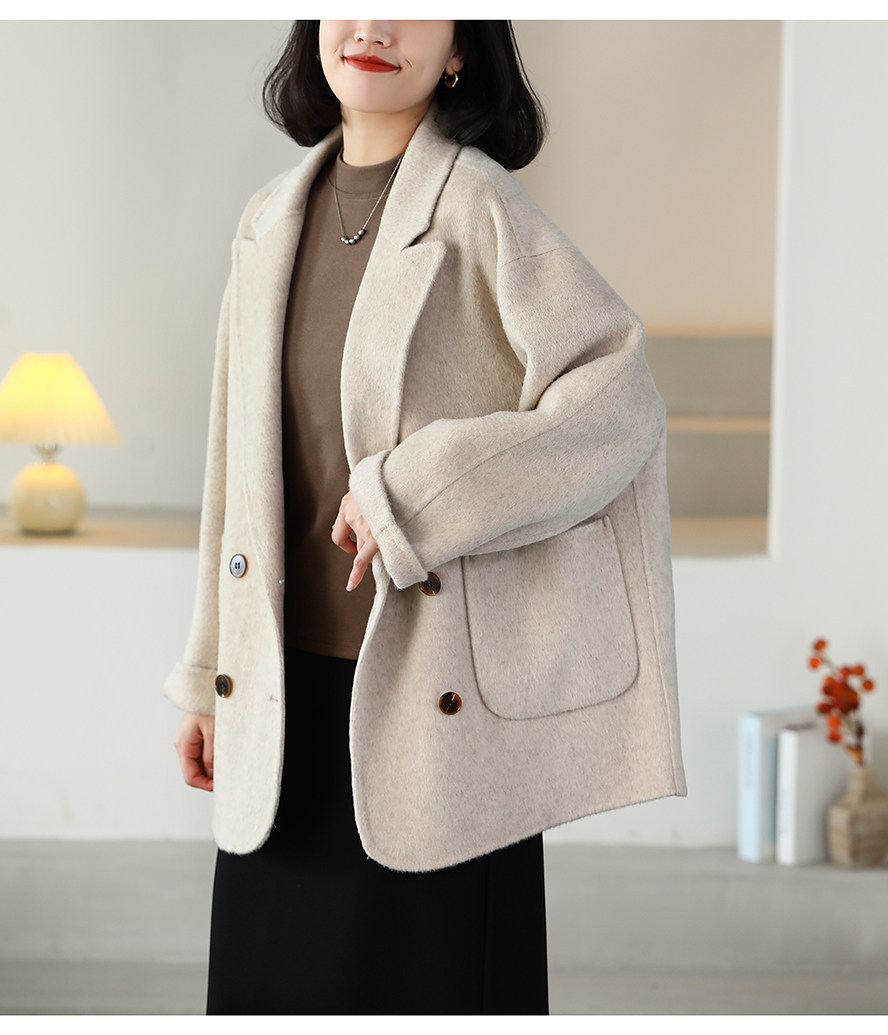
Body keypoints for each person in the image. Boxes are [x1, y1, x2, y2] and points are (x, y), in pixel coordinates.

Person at [163, 19, 687, 1015]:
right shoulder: (268, 217)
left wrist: (420, 492)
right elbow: (233, 472)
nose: (373, 25)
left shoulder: (482, 206)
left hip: (430, 710)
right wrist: (204, 676)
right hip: (280, 699)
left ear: (458, 50)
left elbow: (618, 401)